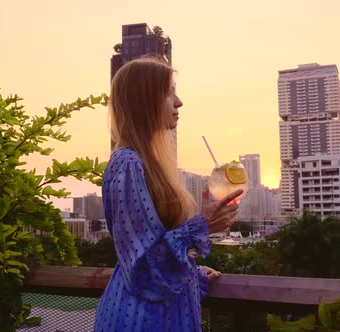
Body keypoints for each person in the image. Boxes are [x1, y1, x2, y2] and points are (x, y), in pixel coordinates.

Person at [93, 56, 242, 332]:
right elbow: (142, 266)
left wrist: (191, 273)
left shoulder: (148, 164)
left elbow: (155, 247)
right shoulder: (127, 163)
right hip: (140, 321)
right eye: (168, 92)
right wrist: (203, 225)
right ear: (145, 101)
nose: (179, 101)